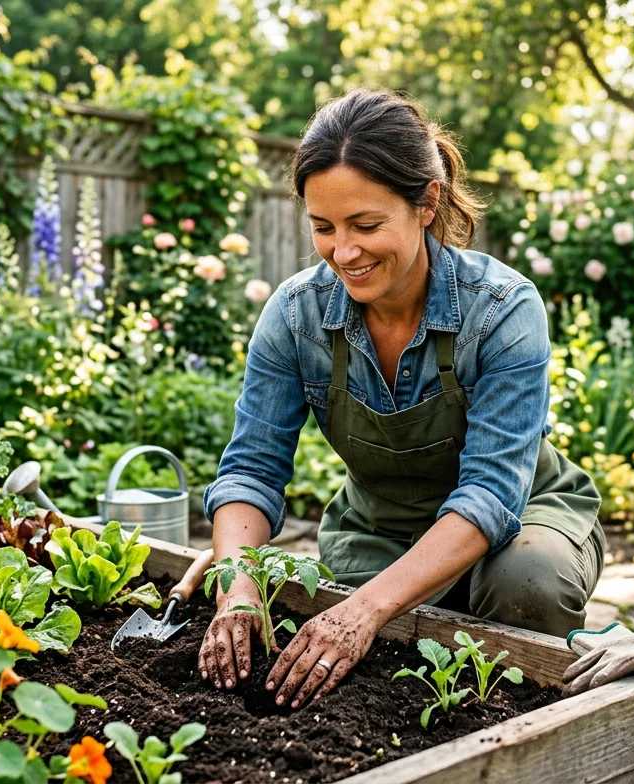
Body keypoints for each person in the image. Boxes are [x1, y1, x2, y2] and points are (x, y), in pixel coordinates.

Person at [198, 88, 606, 711]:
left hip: (523, 519)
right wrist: (238, 585)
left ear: (426, 203)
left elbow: (492, 495)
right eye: (323, 228)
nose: (344, 252)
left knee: (526, 584)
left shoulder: (500, 309)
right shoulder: (295, 316)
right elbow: (252, 469)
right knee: (376, 671)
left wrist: (361, 612)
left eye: (366, 225)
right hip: (379, 529)